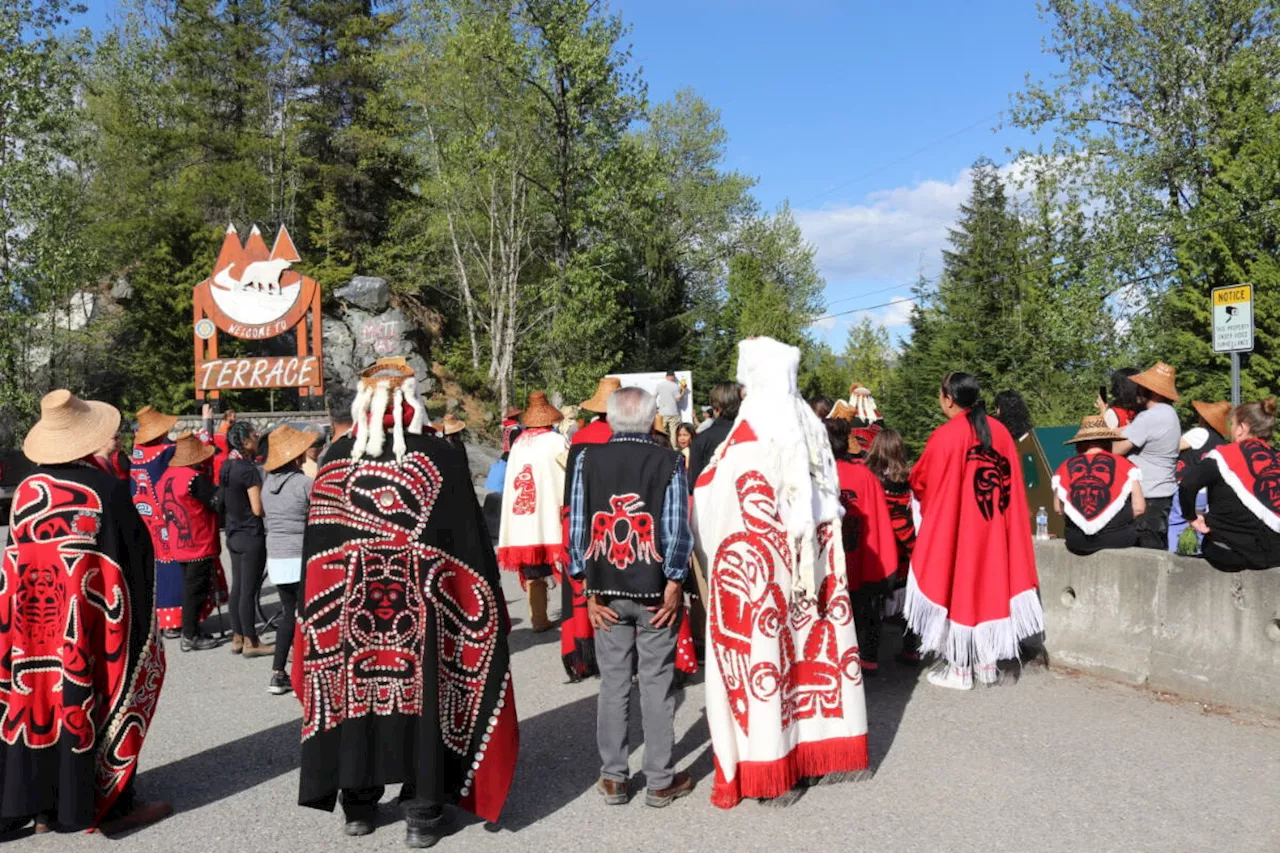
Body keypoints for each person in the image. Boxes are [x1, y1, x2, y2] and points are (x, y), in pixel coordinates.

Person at [295, 358, 517, 848]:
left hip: (349, 612)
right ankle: (421, 812)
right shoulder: (440, 457)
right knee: (425, 703)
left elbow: (316, 555)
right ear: (411, 400)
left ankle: (358, 805)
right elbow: (471, 549)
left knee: (355, 699)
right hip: (422, 613)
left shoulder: (335, 458)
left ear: (363, 401)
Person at [693, 337, 870, 808]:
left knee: (768, 670)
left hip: (762, 584)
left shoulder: (748, 436)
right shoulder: (810, 429)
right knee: (806, 665)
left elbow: (712, 506)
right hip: (813, 580)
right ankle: (810, 756)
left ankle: (773, 766)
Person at [1, 390, 170, 834]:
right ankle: (112, 804)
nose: (114, 441)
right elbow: (136, 562)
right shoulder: (106, 490)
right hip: (90, 621)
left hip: (32, 627)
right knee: (101, 694)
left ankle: (41, 807)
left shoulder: (26, 491)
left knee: (36, 700)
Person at [567, 387, 695, 807]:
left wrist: (585, 586)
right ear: (650, 419)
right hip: (657, 592)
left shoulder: (587, 459)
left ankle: (614, 778)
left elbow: (578, 526)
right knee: (656, 684)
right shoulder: (670, 461)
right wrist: (675, 581)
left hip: (606, 590)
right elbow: (677, 528)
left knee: (613, 683)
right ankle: (659, 780)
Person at [905, 372, 1044, 690]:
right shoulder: (1002, 434)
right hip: (995, 527)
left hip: (960, 526)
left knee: (959, 587)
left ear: (948, 398)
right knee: (989, 587)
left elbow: (921, 481)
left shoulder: (946, 435)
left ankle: (959, 669)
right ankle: (985, 664)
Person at [556, 377, 621, 681]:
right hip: (620, 517)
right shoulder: (628, 433)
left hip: (584, 515)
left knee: (586, 584)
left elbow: (571, 487)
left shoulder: (582, 437)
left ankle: (586, 655)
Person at [826, 417, 897, 675]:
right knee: (866, 606)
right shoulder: (864, 475)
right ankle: (866, 656)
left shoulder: (816, 476)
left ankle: (832, 656)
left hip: (829, 559)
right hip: (860, 553)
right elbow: (879, 520)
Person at [1180, 398, 1280, 571]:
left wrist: (1191, 517)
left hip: (1229, 553)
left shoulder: (1223, 455)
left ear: (1242, 429)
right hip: (1275, 554)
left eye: (1232, 424)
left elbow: (1188, 484)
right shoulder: (1276, 459)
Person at [497, 392, 569, 633]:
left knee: (533, 571)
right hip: (550, 513)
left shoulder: (519, 443)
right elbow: (568, 474)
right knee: (567, 564)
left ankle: (538, 618)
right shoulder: (556, 441)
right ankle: (571, 614)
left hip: (524, 517)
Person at [262, 425, 317, 696]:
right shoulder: (305, 484)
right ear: (296, 456)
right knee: (307, 617)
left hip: (277, 556)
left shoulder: (266, 484)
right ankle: (303, 675)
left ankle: (277, 673)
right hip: (300, 555)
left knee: (287, 616)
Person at [156, 432, 223, 651]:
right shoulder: (195, 478)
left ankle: (191, 629)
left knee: (190, 587)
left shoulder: (166, 476)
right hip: (198, 539)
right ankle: (190, 635)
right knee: (196, 589)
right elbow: (216, 502)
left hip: (178, 541)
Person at [865, 428, 922, 665]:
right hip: (907, 549)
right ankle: (910, 649)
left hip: (880, 549)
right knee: (909, 605)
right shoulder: (909, 479)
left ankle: (869, 657)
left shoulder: (869, 478)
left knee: (874, 605)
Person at [1052, 416, 1145, 556]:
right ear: (1108, 442)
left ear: (1080, 444)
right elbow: (1139, 508)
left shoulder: (1065, 467)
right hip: (1118, 539)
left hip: (1076, 541)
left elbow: (1058, 509)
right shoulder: (1126, 465)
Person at [1112, 361, 1181, 549]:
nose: (1137, 391)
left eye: (1142, 387)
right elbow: (1127, 430)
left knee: (1144, 558)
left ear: (1155, 392)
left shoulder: (1150, 417)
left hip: (1147, 497)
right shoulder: (1168, 413)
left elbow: (1116, 450)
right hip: (1161, 495)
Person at [129, 405, 184, 638]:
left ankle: (157, 619)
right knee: (172, 564)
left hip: (143, 517)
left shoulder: (137, 453)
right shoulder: (167, 451)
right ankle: (175, 619)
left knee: (152, 567)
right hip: (165, 516)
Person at [221, 421, 273, 659]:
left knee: (238, 588)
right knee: (248, 591)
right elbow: (257, 508)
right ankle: (252, 640)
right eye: (253, 435)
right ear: (244, 441)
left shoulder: (227, 465)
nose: (257, 437)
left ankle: (238, 636)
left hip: (233, 532)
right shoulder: (248, 470)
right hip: (251, 534)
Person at [1168, 400, 1230, 552]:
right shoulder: (1220, 441)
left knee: (1176, 523)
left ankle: (1172, 557)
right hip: (1206, 493)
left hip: (1188, 487)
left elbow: (1172, 448)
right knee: (1201, 527)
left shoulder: (1199, 433)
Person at [688, 381, 741, 492]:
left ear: (715, 407)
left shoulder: (702, 439)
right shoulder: (757, 435)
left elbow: (694, 485)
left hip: (713, 503)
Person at [654, 370, 688, 447]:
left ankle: (662, 447)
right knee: (673, 433)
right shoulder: (675, 386)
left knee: (662, 432)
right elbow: (678, 399)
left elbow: (654, 396)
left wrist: (655, 408)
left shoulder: (659, 385)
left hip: (662, 413)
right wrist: (683, 390)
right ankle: (673, 449)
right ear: (673, 377)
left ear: (666, 377)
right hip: (673, 413)